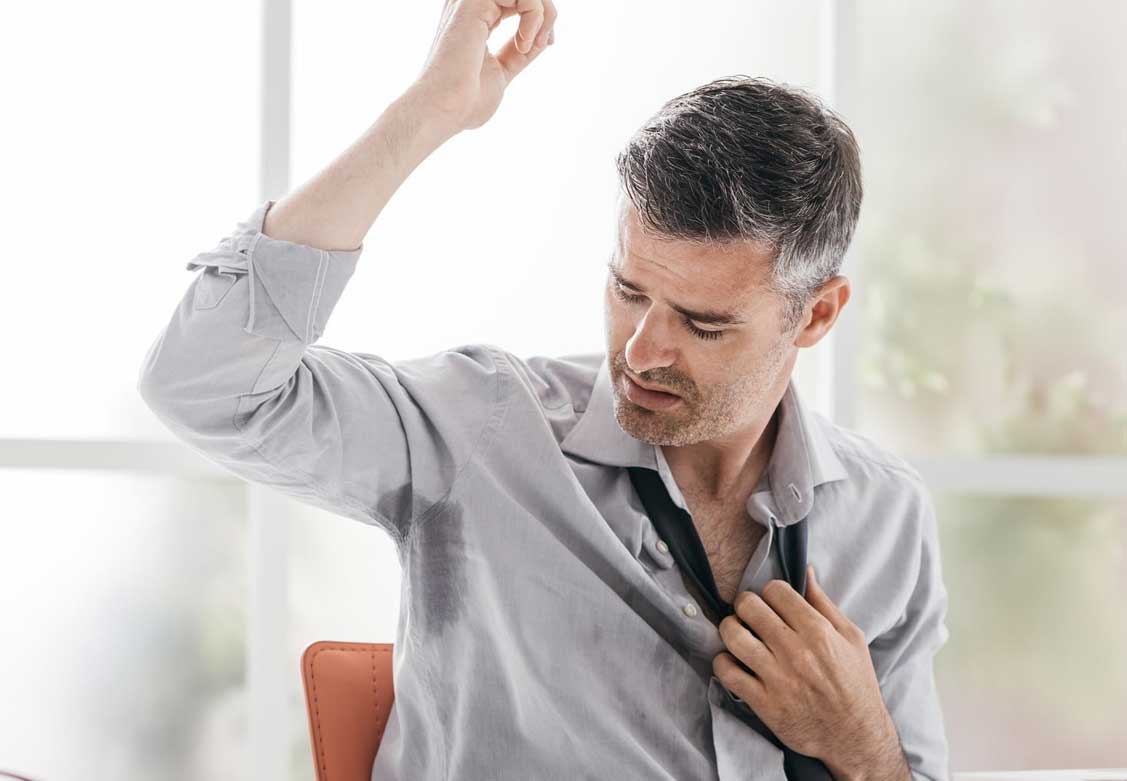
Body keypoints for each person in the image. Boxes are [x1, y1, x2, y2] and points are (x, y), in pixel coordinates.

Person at [137, 1, 951, 778]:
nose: (642, 350)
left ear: (817, 315)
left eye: (702, 324)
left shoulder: (885, 519)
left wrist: (862, 746)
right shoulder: (482, 431)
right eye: (628, 290)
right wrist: (427, 113)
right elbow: (204, 384)